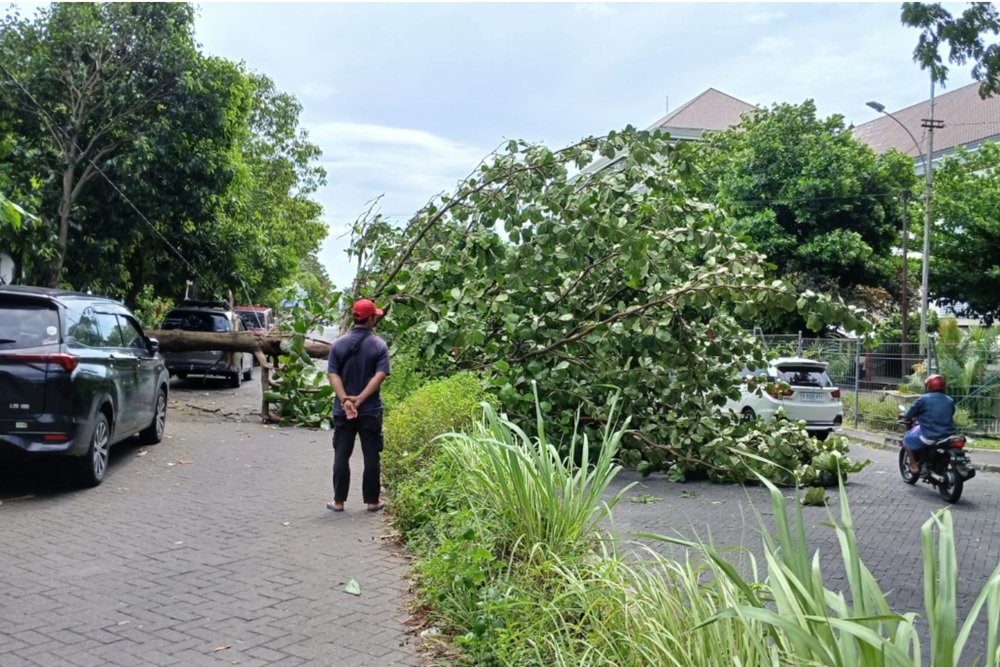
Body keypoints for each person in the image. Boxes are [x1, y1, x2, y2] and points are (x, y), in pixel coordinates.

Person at [326, 298, 391, 513]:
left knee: (341, 455)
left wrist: (345, 400)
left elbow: (333, 374)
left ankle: (338, 502)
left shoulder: (338, 344)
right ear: (370, 319)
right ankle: (372, 501)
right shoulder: (379, 345)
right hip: (370, 410)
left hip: (342, 411)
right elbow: (380, 375)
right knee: (371, 455)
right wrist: (360, 399)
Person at [901, 374, 956, 475]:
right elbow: (951, 413)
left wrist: (905, 415)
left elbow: (908, 414)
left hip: (931, 436)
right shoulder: (949, 400)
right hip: (949, 436)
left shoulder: (923, 399)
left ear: (928, 386)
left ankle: (914, 465)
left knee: (906, 439)